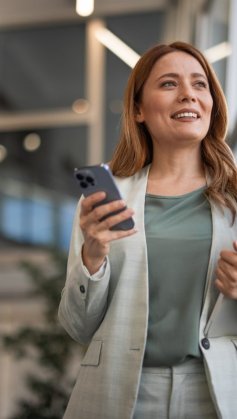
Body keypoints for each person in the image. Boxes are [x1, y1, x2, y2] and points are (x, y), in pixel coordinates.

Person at [58, 41, 237, 419]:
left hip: (220, 390)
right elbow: (77, 326)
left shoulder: (235, 196)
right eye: (169, 84)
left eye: (199, 84)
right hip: (120, 391)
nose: (188, 93)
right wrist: (92, 256)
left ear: (212, 103)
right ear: (138, 109)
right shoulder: (105, 201)